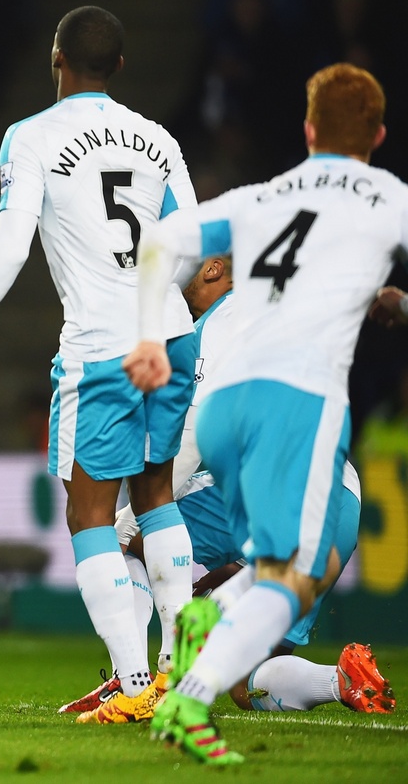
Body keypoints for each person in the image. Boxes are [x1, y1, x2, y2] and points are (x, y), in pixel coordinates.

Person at [0, 6, 200, 724]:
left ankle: (134, 688)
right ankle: (178, 671)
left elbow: (11, 246)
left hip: (102, 348)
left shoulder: (32, 137)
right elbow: (195, 242)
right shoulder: (158, 138)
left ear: (56, 59)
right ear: (121, 68)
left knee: (90, 513)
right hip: (171, 335)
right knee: (157, 493)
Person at [126, 62, 408, 764]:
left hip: (224, 410)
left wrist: (146, 337)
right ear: (377, 133)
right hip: (299, 409)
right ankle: (192, 673)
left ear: (309, 129)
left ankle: (210, 634)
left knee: (277, 583)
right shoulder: (387, 198)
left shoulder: (266, 196)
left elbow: (163, 242)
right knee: (286, 583)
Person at [61, 257, 393, 717]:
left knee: (120, 540)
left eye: (185, 268)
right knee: (247, 679)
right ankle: (341, 680)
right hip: (339, 500)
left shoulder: (225, 319)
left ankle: (133, 685)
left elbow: (194, 435)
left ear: (215, 268)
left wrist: (139, 513)